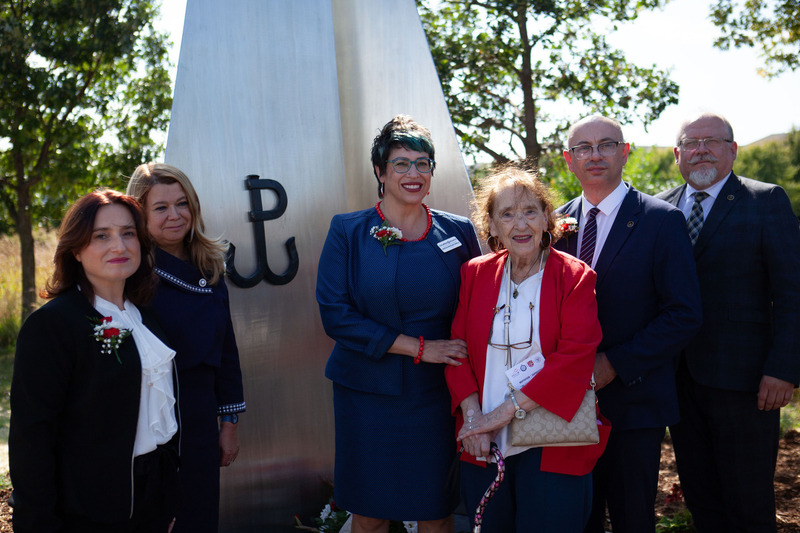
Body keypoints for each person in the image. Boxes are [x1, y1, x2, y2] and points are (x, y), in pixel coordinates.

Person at [316, 115, 481, 533]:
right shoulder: (348, 231)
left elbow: (479, 305)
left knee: (436, 511)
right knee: (369, 513)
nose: (414, 173)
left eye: (423, 163)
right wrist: (420, 348)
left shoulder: (458, 231)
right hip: (366, 395)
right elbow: (335, 314)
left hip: (436, 395)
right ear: (380, 172)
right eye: (401, 163)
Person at [553, 115, 703, 533]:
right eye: (583, 148)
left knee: (631, 519)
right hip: (564, 403)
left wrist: (614, 363)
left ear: (625, 152)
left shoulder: (661, 220)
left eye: (606, 145)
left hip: (634, 403)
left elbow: (684, 313)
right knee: (576, 519)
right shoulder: (553, 223)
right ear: (568, 159)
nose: (595, 155)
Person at [656, 112, 800, 533]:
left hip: (747, 383)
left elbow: (792, 292)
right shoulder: (659, 207)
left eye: (712, 141)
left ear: (732, 150)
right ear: (677, 154)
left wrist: (783, 369)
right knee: (703, 501)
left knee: (748, 504)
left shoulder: (765, 200)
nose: (701, 150)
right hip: (678, 380)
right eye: (691, 142)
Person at [446, 166, 609, 532]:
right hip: (483, 443)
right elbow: (457, 353)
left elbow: (575, 360)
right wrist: (474, 420)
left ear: (546, 217)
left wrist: (498, 416)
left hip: (553, 440)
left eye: (530, 211)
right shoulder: (474, 273)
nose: (521, 224)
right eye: (507, 214)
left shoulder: (575, 276)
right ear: (491, 225)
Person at [9, 189, 180, 532]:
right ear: (76, 249)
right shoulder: (52, 324)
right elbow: (32, 436)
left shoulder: (145, 315)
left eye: (128, 233)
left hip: (152, 499)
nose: (119, 246)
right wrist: (37, 522)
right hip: (89, 510)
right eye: (102, 236)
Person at [127, 163, 246, 533]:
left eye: (182, 204)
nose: (175, 215)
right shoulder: (132, 273)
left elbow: (226, 351)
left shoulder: (209, 265)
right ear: (140, 214)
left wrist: (229, 422)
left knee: (199, 516)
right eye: (161, 208)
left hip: (200, 418)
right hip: (150, 421)